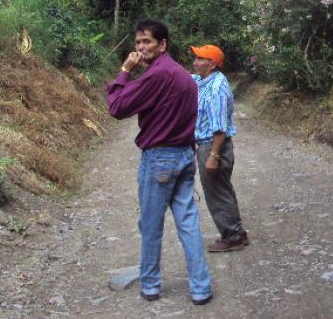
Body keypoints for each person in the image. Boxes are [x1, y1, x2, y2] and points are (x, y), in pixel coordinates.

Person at [107, 20, 213, 305]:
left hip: (160, 159)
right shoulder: (182, 74)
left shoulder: (156, 76)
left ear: (162, 44)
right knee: (188, 222)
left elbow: (116, 107)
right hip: (184, 156)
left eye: (147, 42)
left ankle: (151, 285)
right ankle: (201, 287)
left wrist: (125, 70)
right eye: (138, 42)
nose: (141, 47)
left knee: (151, 225)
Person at [190, 44, 250, 252]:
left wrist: (213, 156)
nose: (195, 62)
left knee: (216, 192)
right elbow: (187, 78)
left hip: (213, 146)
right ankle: (237, 232)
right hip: (208, 146)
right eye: (195, 58)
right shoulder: (205, 81)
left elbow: (220, 129)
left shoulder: (217, 89)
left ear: (212, 64)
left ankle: (232, 237)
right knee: (223, 188)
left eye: (200, 59)